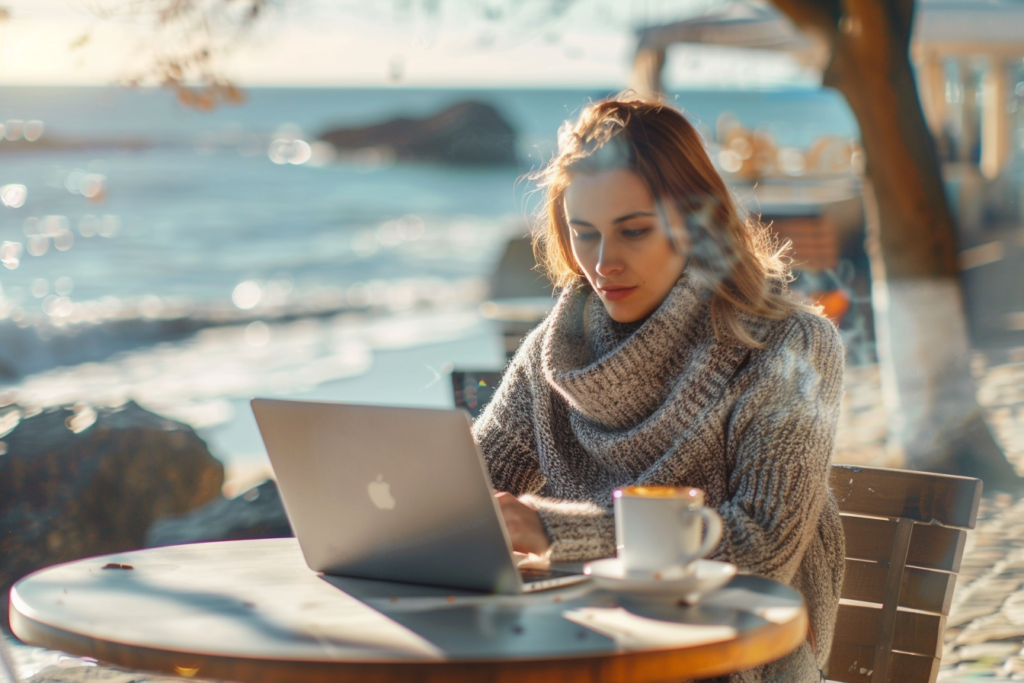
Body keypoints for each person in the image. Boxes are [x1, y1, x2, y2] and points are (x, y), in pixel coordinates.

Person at [472, 95, 845, 682]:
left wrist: (551, 532)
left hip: (732, 662)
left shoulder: (788, 345)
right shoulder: (556, 348)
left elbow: (762, 548)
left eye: (634, 231)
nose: (603, 263)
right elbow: (471, 490)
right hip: (581, 647)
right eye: (583, 233)